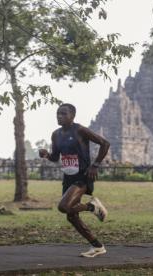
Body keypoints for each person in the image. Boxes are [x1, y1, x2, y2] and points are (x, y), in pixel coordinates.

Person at [39, 103, 110, 257]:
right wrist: (46, 154)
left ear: (72, 116)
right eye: (58, 113)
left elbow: (105, 143)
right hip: (68, 177)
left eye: (63, 113)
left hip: (83, 176)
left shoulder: (80, 130)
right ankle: (97, 246)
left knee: (63, 206)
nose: (59, 116)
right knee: (71, 216)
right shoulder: (56, 134)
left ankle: (91, 207)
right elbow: (55, 157)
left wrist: (95, 165)